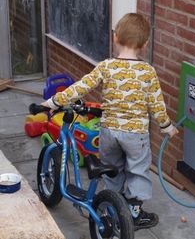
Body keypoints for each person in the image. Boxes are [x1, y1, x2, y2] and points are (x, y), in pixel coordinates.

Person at [41, 13, 178, 231]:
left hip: (109, 132)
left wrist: (53, 102)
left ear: (115, 38)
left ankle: (113, 202)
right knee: (138, 170)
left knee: (111, 168)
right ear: (145, 44)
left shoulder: (106, 66)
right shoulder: (147, 72)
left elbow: (81, 86)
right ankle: (133, 211)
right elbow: (157, 106)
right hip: (135, 135)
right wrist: (167, 127)